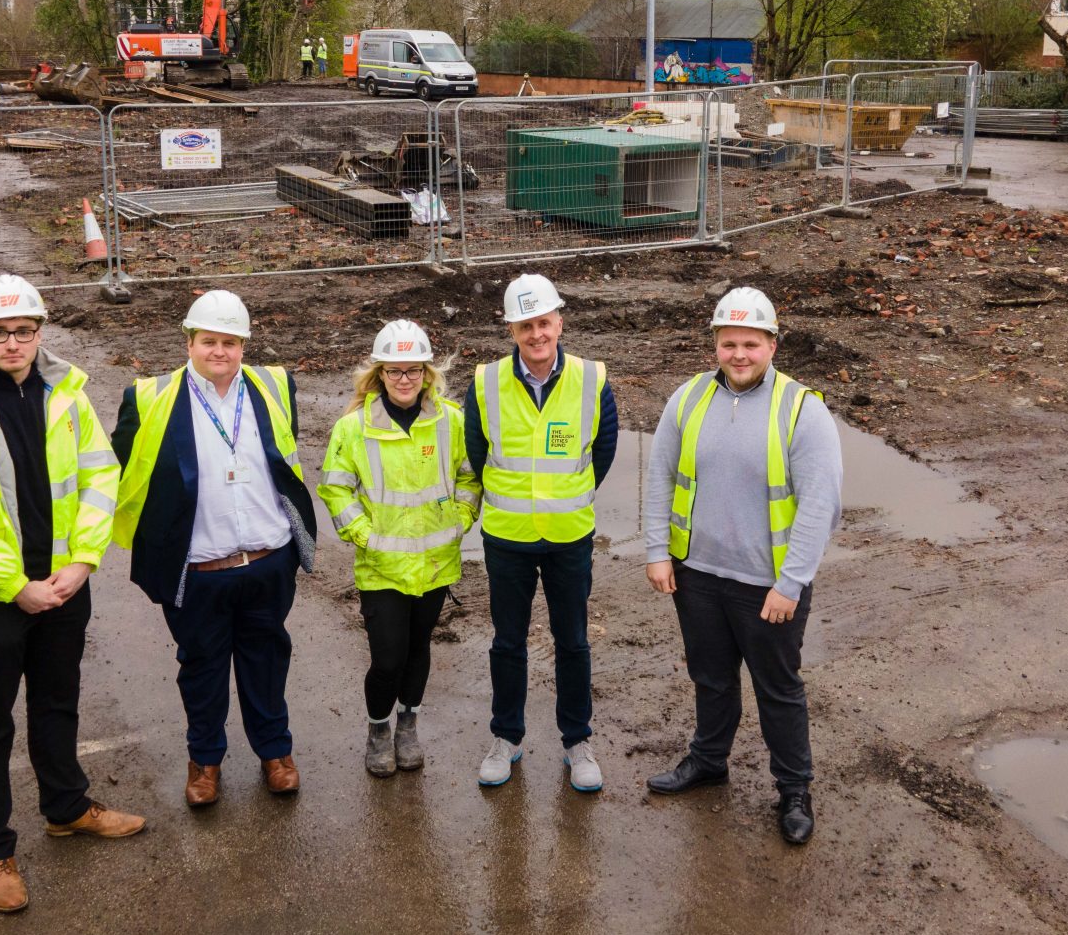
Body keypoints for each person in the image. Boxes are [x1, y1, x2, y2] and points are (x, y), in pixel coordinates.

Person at [0, 274, 144, 914]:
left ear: (39, 332)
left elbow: (101, 474)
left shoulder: (66, 392)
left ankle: (67, 808)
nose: (12, 343)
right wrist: (15, 587)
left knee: (58, 702)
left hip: (65, 586)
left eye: (23, 332)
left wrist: (83, 562)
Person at [640, 287, 842, 845]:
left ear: (772, 344)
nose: (739, 354)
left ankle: (794, 789)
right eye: (729, 343)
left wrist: (791, 583)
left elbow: (819, 505)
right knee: (710, 678)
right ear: (715, 346)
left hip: (767, 587)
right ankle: (708, 761)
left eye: (751, 343)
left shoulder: (803, 410)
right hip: (698, 576)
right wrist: (658, 550)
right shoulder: (687, 400)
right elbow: (659, 477)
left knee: (778, 688)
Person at [111, 289, 317, 808]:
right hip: (198, 570)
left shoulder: (275, 386)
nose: (219, 351)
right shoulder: (148, 398)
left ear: (244, 345)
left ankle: (275, 753)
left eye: (229, 341)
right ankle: (205, 761)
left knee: (267, 661)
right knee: (201, 668)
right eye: (209, 341)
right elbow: (114, 474)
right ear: (189, 341)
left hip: (268, 562)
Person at [464, 273, 618, 792]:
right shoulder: (485, 383)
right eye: (526, 325)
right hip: (506, 538)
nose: (537, 334)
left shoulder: (591, 379)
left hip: (569, 538)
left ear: (560, 321)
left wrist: (569, 495)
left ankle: (577, 742)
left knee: (572, 641)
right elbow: (475, 452)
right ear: (511, 328)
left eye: (544, 322)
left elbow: (604, 448)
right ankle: (506, 738)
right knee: (508, 643)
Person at [320, 320, 480, 777]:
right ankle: (378, 730)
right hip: (382, 565)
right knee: (387, 658)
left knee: (418, 651)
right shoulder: (353, 429)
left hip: (435, 562)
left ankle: (407, 725)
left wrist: (462, 518)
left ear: (427, 373)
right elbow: (335, 488)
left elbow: (471, 476)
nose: (404, 379)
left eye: (413, 370)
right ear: (380, 374)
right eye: (395, 371)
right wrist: (363, 535)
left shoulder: (451, 421)